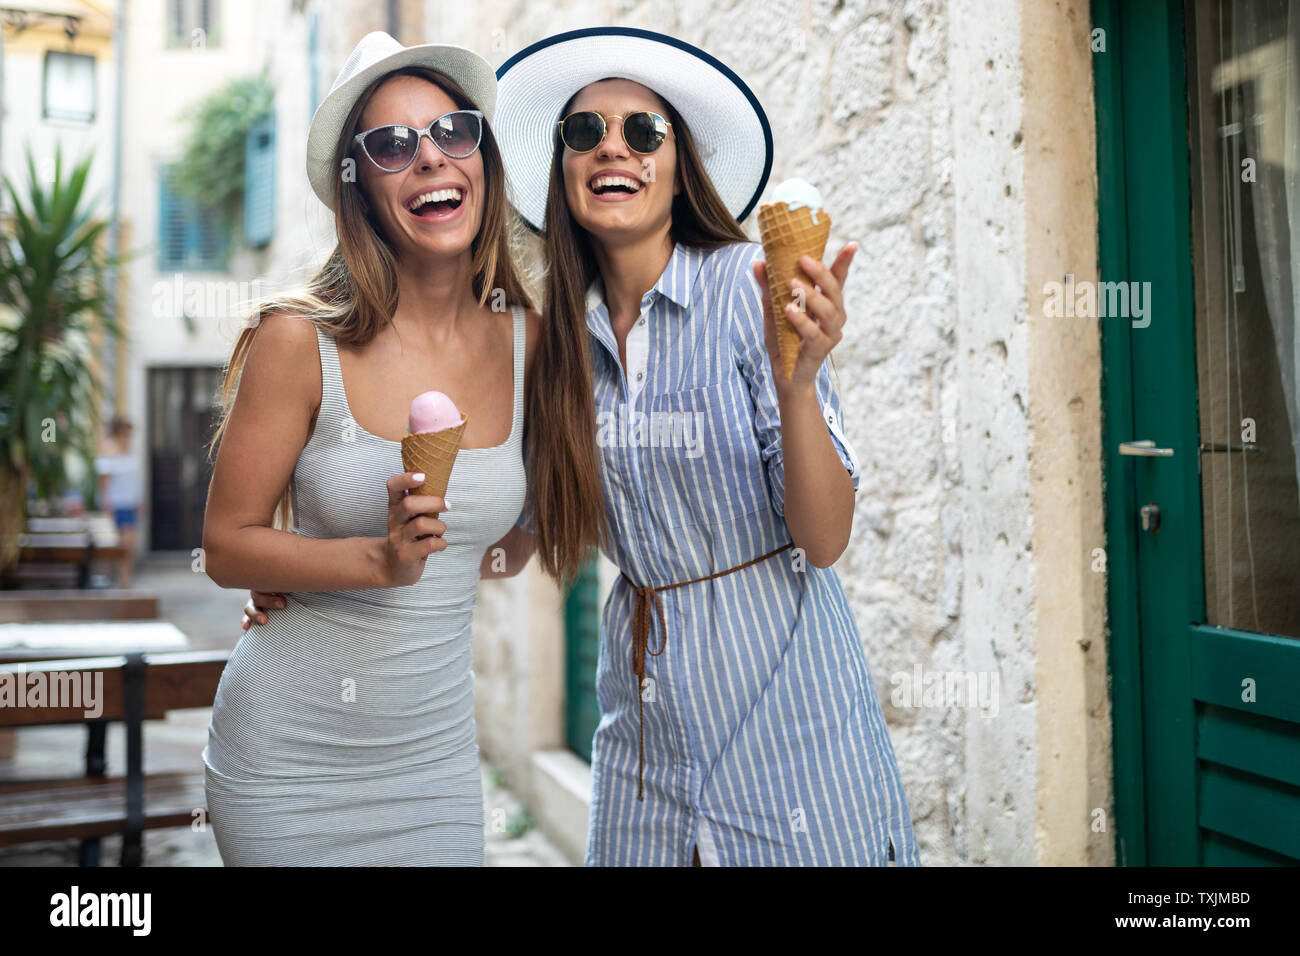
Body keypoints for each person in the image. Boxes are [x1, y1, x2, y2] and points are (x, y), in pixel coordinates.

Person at [245, 27, 922, 868]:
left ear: (681, 164)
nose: (614, 150)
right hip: (642, 725)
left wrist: (799, 385)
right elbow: (510, 536)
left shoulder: (753, 292)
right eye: (582, 133)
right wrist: (306, 572)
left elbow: (825, 539)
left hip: (788, 713)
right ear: (561, 169)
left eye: (644, 132)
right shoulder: (552, 342)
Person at [200, 31, 539, 865]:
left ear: (483, 162)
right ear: (359, 190)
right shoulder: (297, 340)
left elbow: (508, 546)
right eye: (393, 145)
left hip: (433, 767)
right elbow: (224, 545)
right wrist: (366, 564)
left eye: (453, 132)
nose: (430, 158)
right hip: (288, 760)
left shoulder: (532, 344)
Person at [95, 416, 141, 587]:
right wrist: (106, 505)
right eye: (127, 432)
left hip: (129, 504)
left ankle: (125, 580)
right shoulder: (108, 450)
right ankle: (106, 578)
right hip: (114, 505)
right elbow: (104, 481)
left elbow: (133, 480)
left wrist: (138, 501)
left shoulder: (129, 451)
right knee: (112, 546)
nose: (129, 436)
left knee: (129, 545)